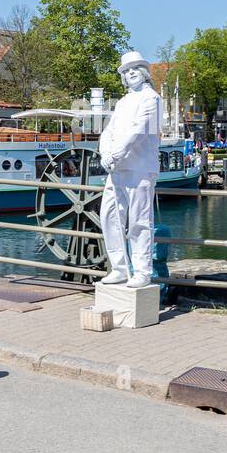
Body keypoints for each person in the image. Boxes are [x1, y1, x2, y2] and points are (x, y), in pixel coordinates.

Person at [98, 51, 162, 288]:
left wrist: (114, 154)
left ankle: (143, 271)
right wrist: (105, 152)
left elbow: (139, 130)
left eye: (135, 68)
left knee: (139, 221)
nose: (130, 72)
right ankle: (120, 267)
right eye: (126, 70)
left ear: (144, 72)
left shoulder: (151, 99)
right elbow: (109, 131)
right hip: (117, 169)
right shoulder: (123, 102)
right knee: (109, 216)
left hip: (140, 168)